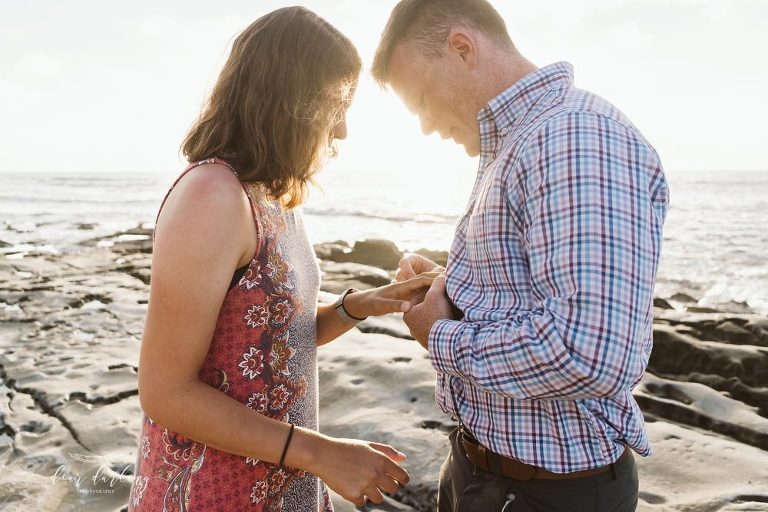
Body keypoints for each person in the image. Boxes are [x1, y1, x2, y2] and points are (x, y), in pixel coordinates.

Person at [128, 7, 433, 511]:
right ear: (292, 101)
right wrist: (322, 453)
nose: (342, 130)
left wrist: (356, 306)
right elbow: (165, 392)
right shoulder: (211, 196)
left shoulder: (271, 197)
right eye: (337, 105)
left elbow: (272, 339)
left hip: (281, 487)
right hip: (213, 493)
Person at [372, 1, 670, 510]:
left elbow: (588, 354)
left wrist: (439, 335)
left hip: (549, 493)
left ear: (462, 48)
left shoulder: (574, 137)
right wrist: (449, 285)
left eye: (420, 99)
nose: (424, 126)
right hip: (482, 470)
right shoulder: (521, 141)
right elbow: (528, 288)